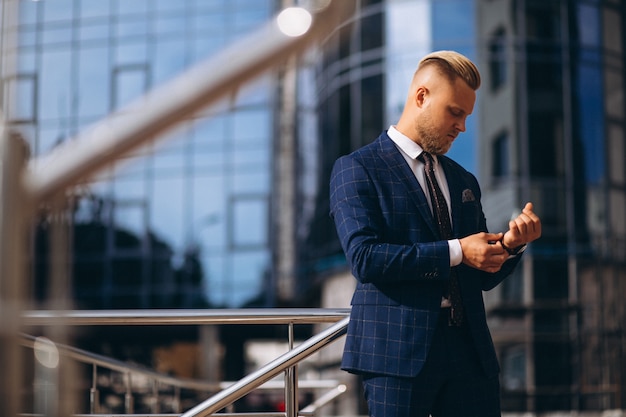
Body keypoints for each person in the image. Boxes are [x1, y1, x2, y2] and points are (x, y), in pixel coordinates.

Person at [329, 50, 541, 417]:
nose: (461, 126)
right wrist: (458, 250)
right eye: (455, 112)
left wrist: (510, 245)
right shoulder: (357, 168)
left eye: (466, 117)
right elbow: (365, 259)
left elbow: (479, 276)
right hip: (397, 356)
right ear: (422, 96)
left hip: (470, 353)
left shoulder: (462, 179)